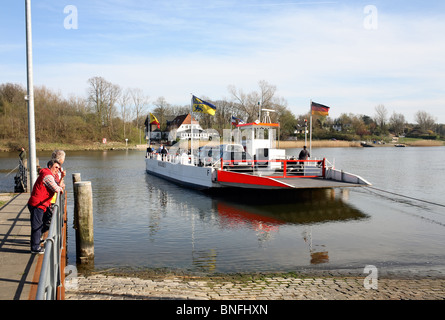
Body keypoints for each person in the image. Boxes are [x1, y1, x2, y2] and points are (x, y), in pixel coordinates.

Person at [28, 160, 64, 254]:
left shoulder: (50, 175)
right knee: (37, 225)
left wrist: (61, 177)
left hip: (42, 204)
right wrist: (60, 188)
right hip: (37, 204)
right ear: (49, 166)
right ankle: (35, 247)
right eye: (56, 167)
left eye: (59, 168)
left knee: (47, 220)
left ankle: (36, 239)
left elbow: (58, 184)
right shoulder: (47, 176)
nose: (57, 170)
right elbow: (56, 188)